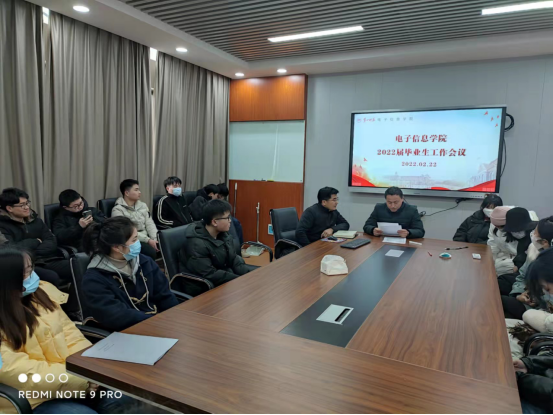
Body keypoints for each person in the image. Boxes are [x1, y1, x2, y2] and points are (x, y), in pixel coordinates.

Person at [0, 247, 134, 414]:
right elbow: (16, 371)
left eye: (31, 268)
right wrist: (78, 380)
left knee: (127, 396)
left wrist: (89, 369)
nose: (34, 276)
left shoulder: (41, 293)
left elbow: (70, 335)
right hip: (32, 396)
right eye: (27, 272)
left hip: (70, 380)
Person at [82, 217, 178, 332]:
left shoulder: (144, 261)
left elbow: (164, 295)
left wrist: (175, 319)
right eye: (134, 240)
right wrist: (156, 323)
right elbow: (117, 316)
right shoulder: (94, 279)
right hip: (126, 332)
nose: (138, 243)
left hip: (157, 323)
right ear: (116, 247)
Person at [179, 200, 254, 297]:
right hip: (204, 288)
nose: (230, 220)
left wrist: (250, 275)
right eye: (227, 218)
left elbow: (234, 259)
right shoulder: (196, 244)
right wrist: (239, 280)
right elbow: (210, 274)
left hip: (223, 280)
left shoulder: (223, 234)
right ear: (214, 222)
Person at [0, 188, 72, 287]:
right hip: (25, 266)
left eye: (27, 203)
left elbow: (51, 240)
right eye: (22, 205)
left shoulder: (35, 220)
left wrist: (34, 251)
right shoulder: (3, 226)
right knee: (51, 277)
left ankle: (75, 296)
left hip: (48, 259)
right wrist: (35, 242)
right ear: (9, 208)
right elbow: (12, 249)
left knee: (76, 266)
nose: (27, 207)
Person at [503, 217, 553, 320]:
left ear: (544, 242)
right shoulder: (534, 251)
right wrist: (519, 294)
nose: (532, 234)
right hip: (532, 300)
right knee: (501, 282)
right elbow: (522, 277)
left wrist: (537, 300)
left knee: (501, 303)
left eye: (535, 232)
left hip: (541, 312)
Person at [112, 180, 159, 261]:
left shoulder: (143, 205)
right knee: (150, 251)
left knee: (162, 244)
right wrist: (148, 240)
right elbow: (125, 231)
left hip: (147, 237)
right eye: (136, 190)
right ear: (127, 193)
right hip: (133, 240)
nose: (139, 192)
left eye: (139, 189)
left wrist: (155, 239)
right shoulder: (117, 210)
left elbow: (149, 223)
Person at [496, 207, 538, 296]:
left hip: (534, 280)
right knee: (500, 281)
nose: (516, 233)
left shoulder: (536, 239)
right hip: (522, 276)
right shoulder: (522, 239)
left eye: (518, 230)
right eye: (513, 231)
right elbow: (520, 257)